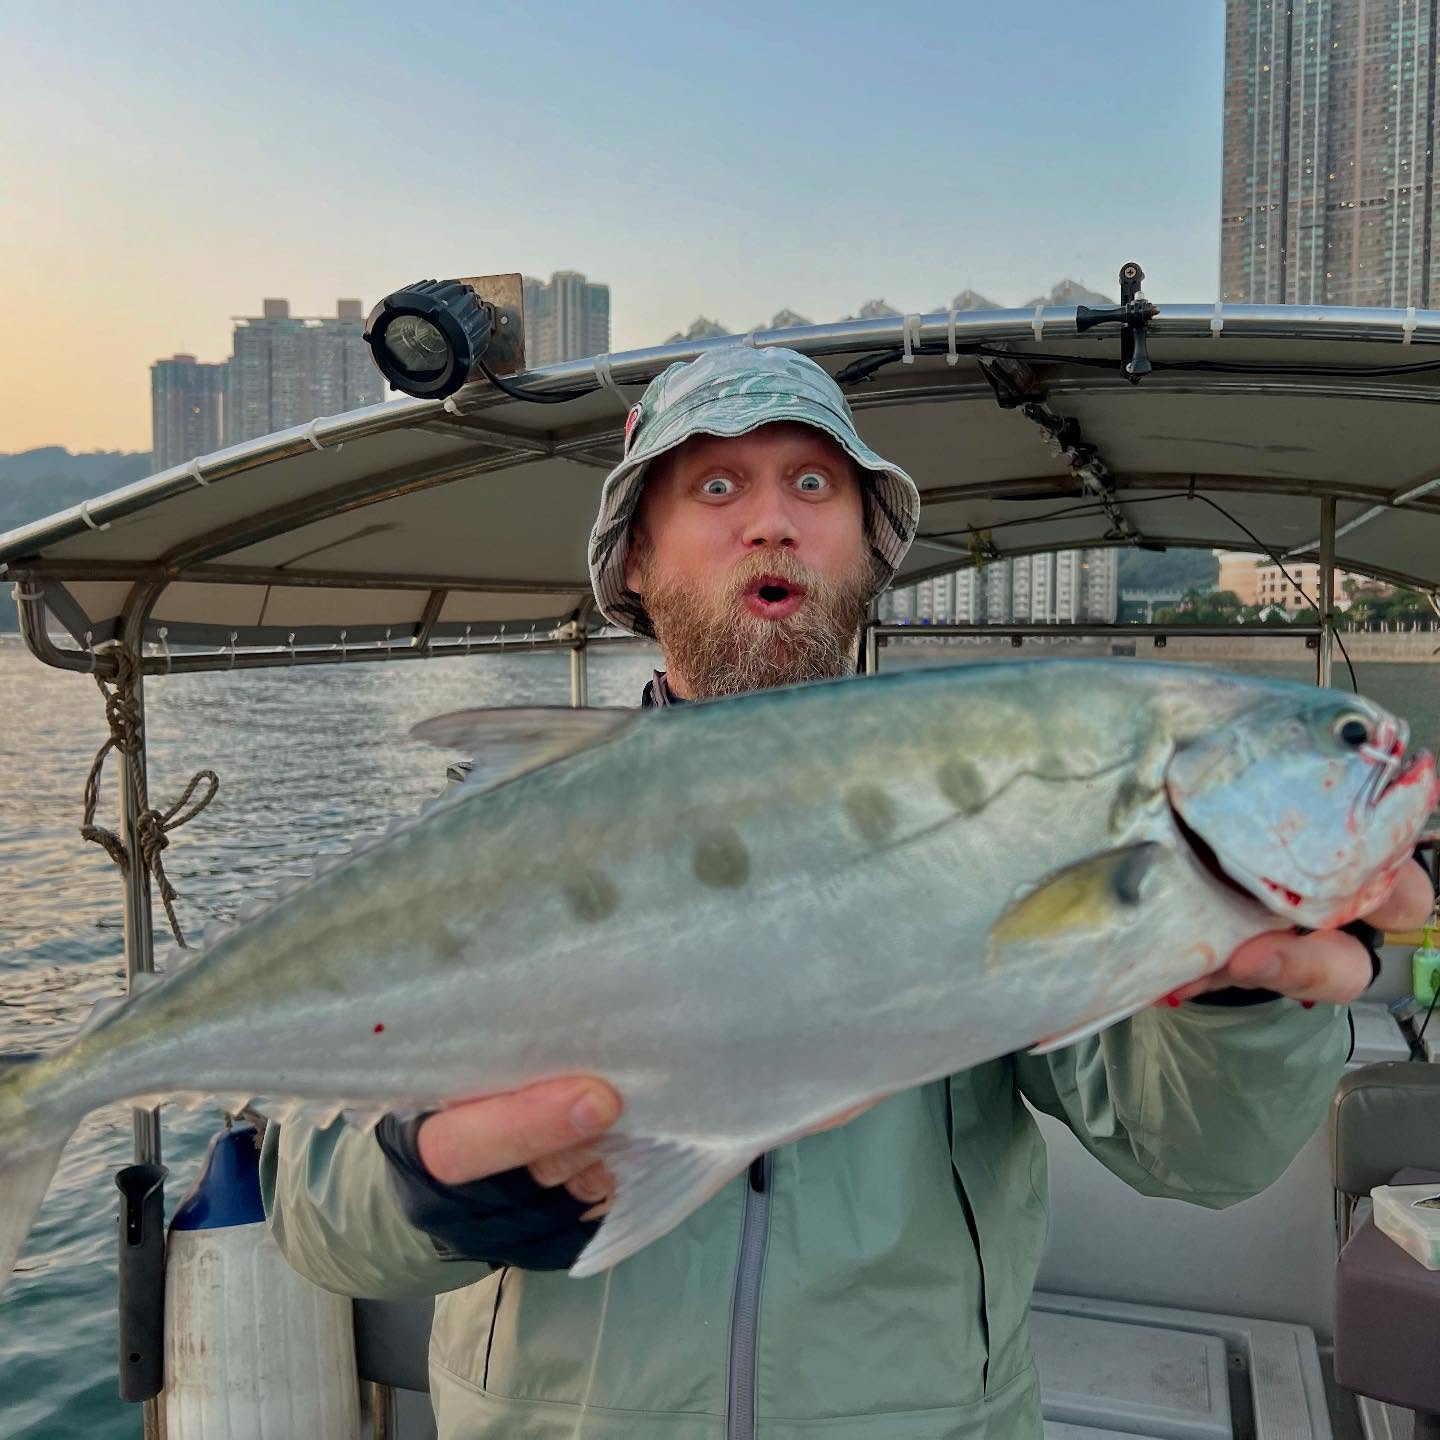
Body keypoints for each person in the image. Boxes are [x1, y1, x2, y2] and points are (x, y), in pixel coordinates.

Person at [261, 344, 1433, 1440]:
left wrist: (1236, 993)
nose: (770, 521)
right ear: (634, 558)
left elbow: (1200, 1160)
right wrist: (437, 1187)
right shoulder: (490, 831)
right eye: (715, 489)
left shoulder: (999, 800)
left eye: (814, 485)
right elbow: (313, 1207)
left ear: (871, 547)